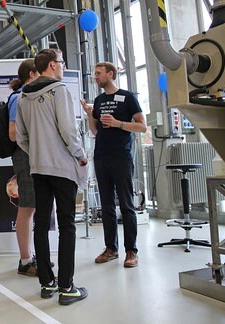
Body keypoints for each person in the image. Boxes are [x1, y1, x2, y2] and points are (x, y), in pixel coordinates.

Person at [16, 48, 89, 306]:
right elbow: (68, 129)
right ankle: (67, 286)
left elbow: (20, 137)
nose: (62, 65)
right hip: (62, 167)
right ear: (52, 65)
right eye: (60, 61)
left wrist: (37, 153)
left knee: (42, 224)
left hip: (38, 167)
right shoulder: (60, 90)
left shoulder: (25, 96)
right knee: (67, 225)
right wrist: (80, 154)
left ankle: (47, 283)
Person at [80, 61, 147, 268]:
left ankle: (131, 251)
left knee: (126, 205)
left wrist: (119, 124)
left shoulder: (127, 97)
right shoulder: (99, 100)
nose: (95, 77)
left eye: (99, 73)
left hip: (121, 157)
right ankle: (111, 248)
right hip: (101, 156)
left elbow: (142, 127)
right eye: (95, 73)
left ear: (111, 74)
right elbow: (95, 131)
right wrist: (90, 115)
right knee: (107, 205)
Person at [7, 59, 40, 276]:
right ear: (31, 73)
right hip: (24, 156)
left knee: (31, 207)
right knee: (26, 208)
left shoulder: (27, 97)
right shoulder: (18, 98)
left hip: (31, 156)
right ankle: (25, 259)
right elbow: (13, 133)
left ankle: (29, 255)